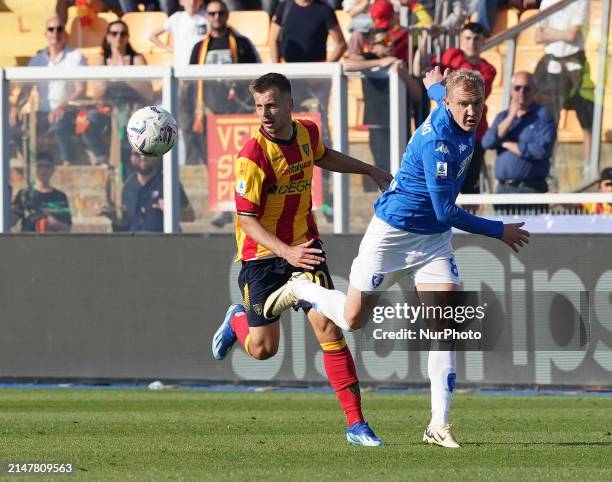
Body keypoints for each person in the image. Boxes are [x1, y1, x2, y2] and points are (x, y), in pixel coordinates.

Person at [261, 67, 529, 448]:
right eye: (463, 105)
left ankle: (438, 424)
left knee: (446, 324)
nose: (471, 112)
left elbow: (439, 91)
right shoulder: (437, 141)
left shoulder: (449, 104)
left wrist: (432, 81)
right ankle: (304, 289)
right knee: (352, 319)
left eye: (477, 104)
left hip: (432, 242)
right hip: (393, 235)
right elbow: (446, 212)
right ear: (451, 105)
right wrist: (498, 231)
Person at [211, 73, 392, 447]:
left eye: (272, 105)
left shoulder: (307, 132)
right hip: (262, 258)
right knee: (263, 350)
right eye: (259, 106)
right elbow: (247, 220)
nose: (265, 113)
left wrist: (370, 169)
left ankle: (356, 424)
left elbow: (324, 156)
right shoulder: (252, 157)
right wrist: (286, 251)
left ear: (290, 105)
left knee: (330, 329)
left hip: (305, 248)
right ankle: (237, 321)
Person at [189, 0, 261, 228]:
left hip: (238, 113)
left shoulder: (242, 44)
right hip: (210, 113)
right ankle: (223, 208)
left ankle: (247, 209)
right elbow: (191, 81)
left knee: (244, 165)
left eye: (221, 12)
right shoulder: (199, 47)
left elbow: (255, 76)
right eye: (212, 13)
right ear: (206, 16)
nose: (216, 17)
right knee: (217, 165)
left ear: (227, 14)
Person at [416, 22, 496, 194]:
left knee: (469, 186)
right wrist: (425, 39)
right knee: (440, 180)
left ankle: (465, 220)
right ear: (461, 39)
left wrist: (438, 88)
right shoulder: (451, 56)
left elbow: (466, 98)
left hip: (471, 138)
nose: (471, 43)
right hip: (444, 135)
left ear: (483, 41)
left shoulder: (487, 70)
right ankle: (442, 217)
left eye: (476, 39)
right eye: (467, 38)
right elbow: (420, 70)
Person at [344, 29, 421, 187]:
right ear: (372, 46)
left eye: (392, 42)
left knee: (405, 169)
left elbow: (417, 95)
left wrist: (403, 74)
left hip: (401, 124)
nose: (390, 45)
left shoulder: (398, 63)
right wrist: (379, 63)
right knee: (384, 169)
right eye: (385, 42)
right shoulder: (369, 58)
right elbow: (347, 64)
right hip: (378, 124)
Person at [10, 16, 87, 166]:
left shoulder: (75, 57)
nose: (55, 33)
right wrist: (15, 108)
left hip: (70, 110)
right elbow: (26, 90)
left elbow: (81, 90)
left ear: (65, 34)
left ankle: (67, 163)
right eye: (51, 29)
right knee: (13, 126)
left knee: (59, 124)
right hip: (44, 112)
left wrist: (62, 106)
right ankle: (30, 162)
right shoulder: (37, 61)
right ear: (45, 34)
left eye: (59, 29)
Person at [481, 72, 556, 212]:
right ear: (511, 91)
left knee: (533, 233)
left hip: (531, 190)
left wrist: (508, 144)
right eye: (517, 88)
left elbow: (541, 150)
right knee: (503, 233)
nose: (522, 92)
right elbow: (487, 142)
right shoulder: (503, 116)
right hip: (504, 190)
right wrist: (510, 117)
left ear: (534, 91)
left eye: (527, 88)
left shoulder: (543, 116)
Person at [86, 20, 153, 171]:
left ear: (127, 37)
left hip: (132, 107)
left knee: (127, 128)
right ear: (108, 37)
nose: (118, 38)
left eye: (122, 34)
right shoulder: (101, 61)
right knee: (87, 122)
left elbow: (147, 92)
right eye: (114, 34)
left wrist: (125, 75)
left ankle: (128, 167)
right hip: (108, 107)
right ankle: (103, 160)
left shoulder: (136, 59)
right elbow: (97, 94)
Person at [533, 0, 594, 163]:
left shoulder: (581, 1)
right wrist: (563, 34)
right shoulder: (547, 1)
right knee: (550, 120)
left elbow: (572, 35)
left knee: (587, 120)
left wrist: (550, 33)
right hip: (551, 65)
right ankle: (549, 164)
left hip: (575, 64)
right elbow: (537, 36)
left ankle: (590, 165)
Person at [150, 0, 209, 166]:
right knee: (185, 121)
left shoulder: (206, 18)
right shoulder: (176, 18)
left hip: (203, 78)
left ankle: (206, 159)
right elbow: (152, 36)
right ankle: (190, 162)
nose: (192, 2)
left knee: (203, 120)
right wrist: (170, 49)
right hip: (183, 78)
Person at [103, 150, 195, 232]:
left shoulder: (169, 184)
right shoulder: (127, 186)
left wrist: (172, 211)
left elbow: (190, 216)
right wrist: (116, 220)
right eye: (137, 154)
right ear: (131, 157)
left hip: (163, 245)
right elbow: (127, 225)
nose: (143, 157)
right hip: (134, 245)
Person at [12, 151, 72, 233]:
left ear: (52, 169)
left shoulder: (60, 196)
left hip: (51, 242)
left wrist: (53, 222)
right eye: (40, 166)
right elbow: (11, 222)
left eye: (47, 166)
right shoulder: (24, 194)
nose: (44, 170)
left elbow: (67, 228)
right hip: (28, 242)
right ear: (34, 168)